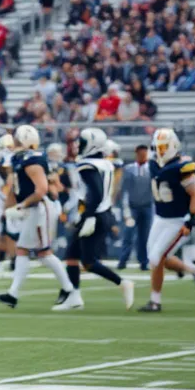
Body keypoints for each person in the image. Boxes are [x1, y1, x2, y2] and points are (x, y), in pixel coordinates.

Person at [0, 125, 75, 308]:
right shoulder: (21, 159)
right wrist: (12, 207)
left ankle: (71, 292)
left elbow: (42, 190)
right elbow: (16, 187)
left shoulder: (32, 160)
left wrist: (21, 206)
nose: (14, 144)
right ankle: (13, 294)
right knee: (22, 249)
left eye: (17, 140)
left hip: (40, 208)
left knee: (44, 252)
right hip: (33, 209)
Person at [59, 129, 135, 311]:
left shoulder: (88, 164)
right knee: (71, 254)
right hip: (103, 213)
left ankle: (123, 282)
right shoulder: (105, 163)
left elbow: (96, 193)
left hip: (94, 215)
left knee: (88, 261)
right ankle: (74, 297)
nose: (79, 145)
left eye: (83, 142)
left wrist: (89, 217)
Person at [139, 129, 195, 312]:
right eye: (158, 147)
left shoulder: (183, 167)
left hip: (177, 220)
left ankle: (155, 301)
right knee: (160, 258)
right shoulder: (154, 163)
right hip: (160, 218)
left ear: (173, 146)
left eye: (164, 147)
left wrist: (190, 220)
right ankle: (192, 269)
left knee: (156, 257)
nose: (160, 151)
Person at [119, 145, 153, 270]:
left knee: (144, 235)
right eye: (140, 153)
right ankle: (123, 260)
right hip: (133, 207)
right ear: (136, 154)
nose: (143, 155)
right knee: (128, 234)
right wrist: (126, 210)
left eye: (145, 153)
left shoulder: (151, 169)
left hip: (147, 206)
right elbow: (125, 191)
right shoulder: (129, 169)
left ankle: (143, 261)